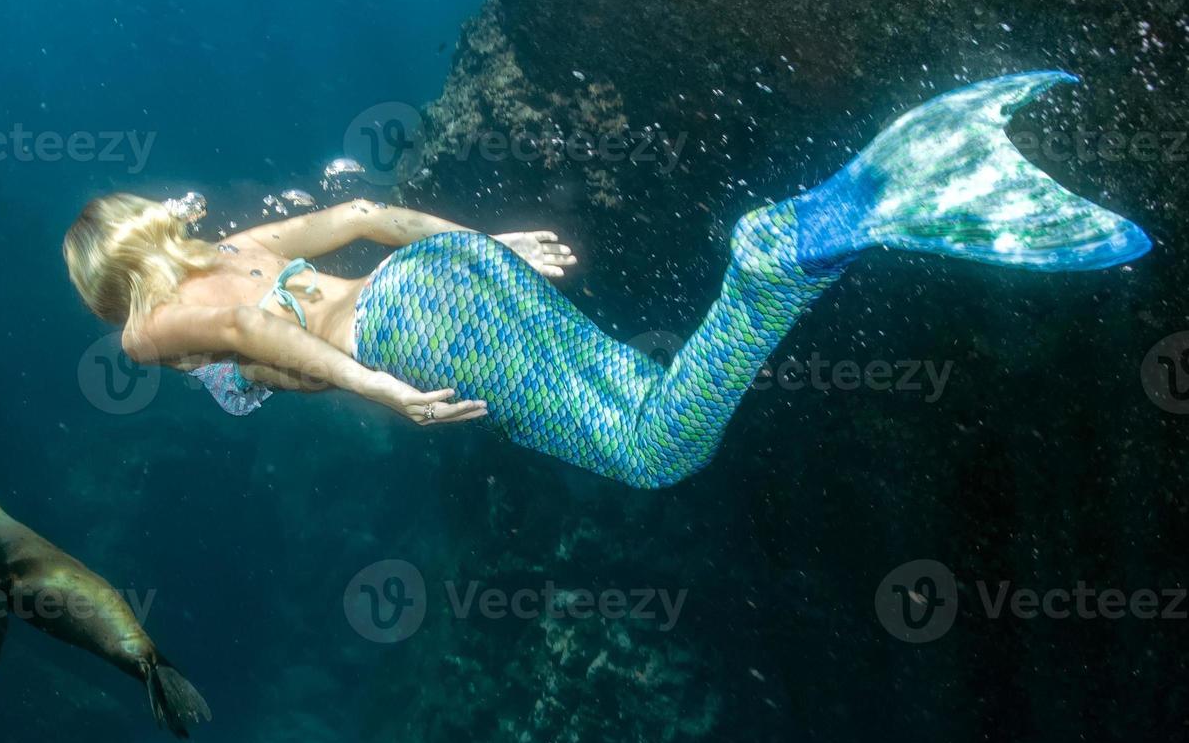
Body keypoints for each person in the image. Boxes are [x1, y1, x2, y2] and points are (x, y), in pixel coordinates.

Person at [64, 72, 1150, 488]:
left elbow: (258, 325)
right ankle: (839, 220)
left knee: (654, 451)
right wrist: (489, 244)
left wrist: (374, 389)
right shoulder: (235, 241)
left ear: (108, 278)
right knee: (629, 389)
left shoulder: (147, 326)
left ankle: (773, 262)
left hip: (408, 333)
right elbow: (358, 214)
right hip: (438, 272)